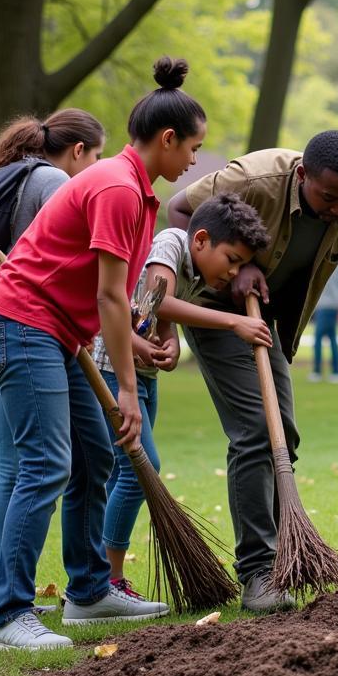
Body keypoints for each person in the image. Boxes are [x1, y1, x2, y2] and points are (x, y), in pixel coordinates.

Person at [0, 57, 205, 650]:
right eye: (193, 148)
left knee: (94, 456)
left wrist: (138, 344)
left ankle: (87, 592)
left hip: (58, 334)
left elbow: (108, 303)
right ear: (167, 139)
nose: (195, 162)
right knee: (46, 464)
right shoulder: (116, 189)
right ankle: (9, 617)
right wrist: (128, 389)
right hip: (20, 327)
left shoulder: (135, 192)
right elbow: (109, 295)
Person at [167, 130, 338, 613]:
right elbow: (179, 210)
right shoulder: (255, 179)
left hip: (273, 324)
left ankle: (282, 559)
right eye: (329, 198)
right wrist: (235, 268)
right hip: (217, 310)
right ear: (303, 175)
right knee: (255, 432)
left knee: (283, 434)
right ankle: (259, 572)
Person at [0, 110, 104, 616]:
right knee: (18, 466)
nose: (95, 167)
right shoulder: (54, 180)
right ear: (77, 150)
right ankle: (0, 592)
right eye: (95, 155)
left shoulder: (0, 176)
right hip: (16, 328)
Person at [91, 194, 272, 596]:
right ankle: (108, 579)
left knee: (126, 472)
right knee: (141, 468)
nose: (235, 272)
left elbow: (154, 310)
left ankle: (101, 576)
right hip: (109, 368)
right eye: (232, 259)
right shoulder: (172, 241)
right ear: (202, 240)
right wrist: (233, 322)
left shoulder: (194, 267)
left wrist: (168, 342)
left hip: (142, 376)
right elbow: (158, 300)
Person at [310, 261, 338, 382]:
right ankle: (336, 372)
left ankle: (317, 371)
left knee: (318, 339)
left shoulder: (323, 262)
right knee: (332, 339)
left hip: (325, 306)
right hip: (332, 306)